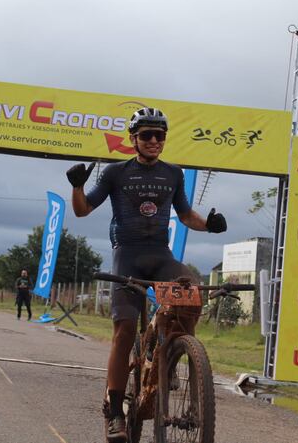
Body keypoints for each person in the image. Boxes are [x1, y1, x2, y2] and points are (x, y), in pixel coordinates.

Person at [67, 107, 226, 443]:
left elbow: (185, 215)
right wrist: (77, 187)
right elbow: (82, 211)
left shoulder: (174, 173)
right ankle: (115, 413)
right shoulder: (115, 173)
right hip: (128, 256)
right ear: (133, 139)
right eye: (147, 135)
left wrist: (209, 225)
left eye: (160, 135)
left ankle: (174, 354)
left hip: (161, 256)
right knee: (124, 329)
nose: (154, 141)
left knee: (191, 295)